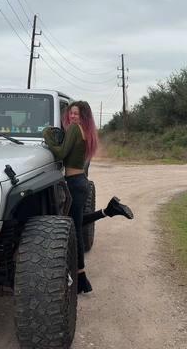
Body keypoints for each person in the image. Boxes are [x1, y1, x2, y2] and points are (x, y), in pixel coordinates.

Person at [43, 101, 133, 294]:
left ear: (82, 116)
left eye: (76, 114)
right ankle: (109, 210)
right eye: (71, 114)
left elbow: (60, 154)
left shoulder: (75, 129)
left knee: (74, 229)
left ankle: (81, 276)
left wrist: (47, 137)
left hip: (75, 184)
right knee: (76, 222)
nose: (72, 117)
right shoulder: (85, 130)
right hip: (79, 182)